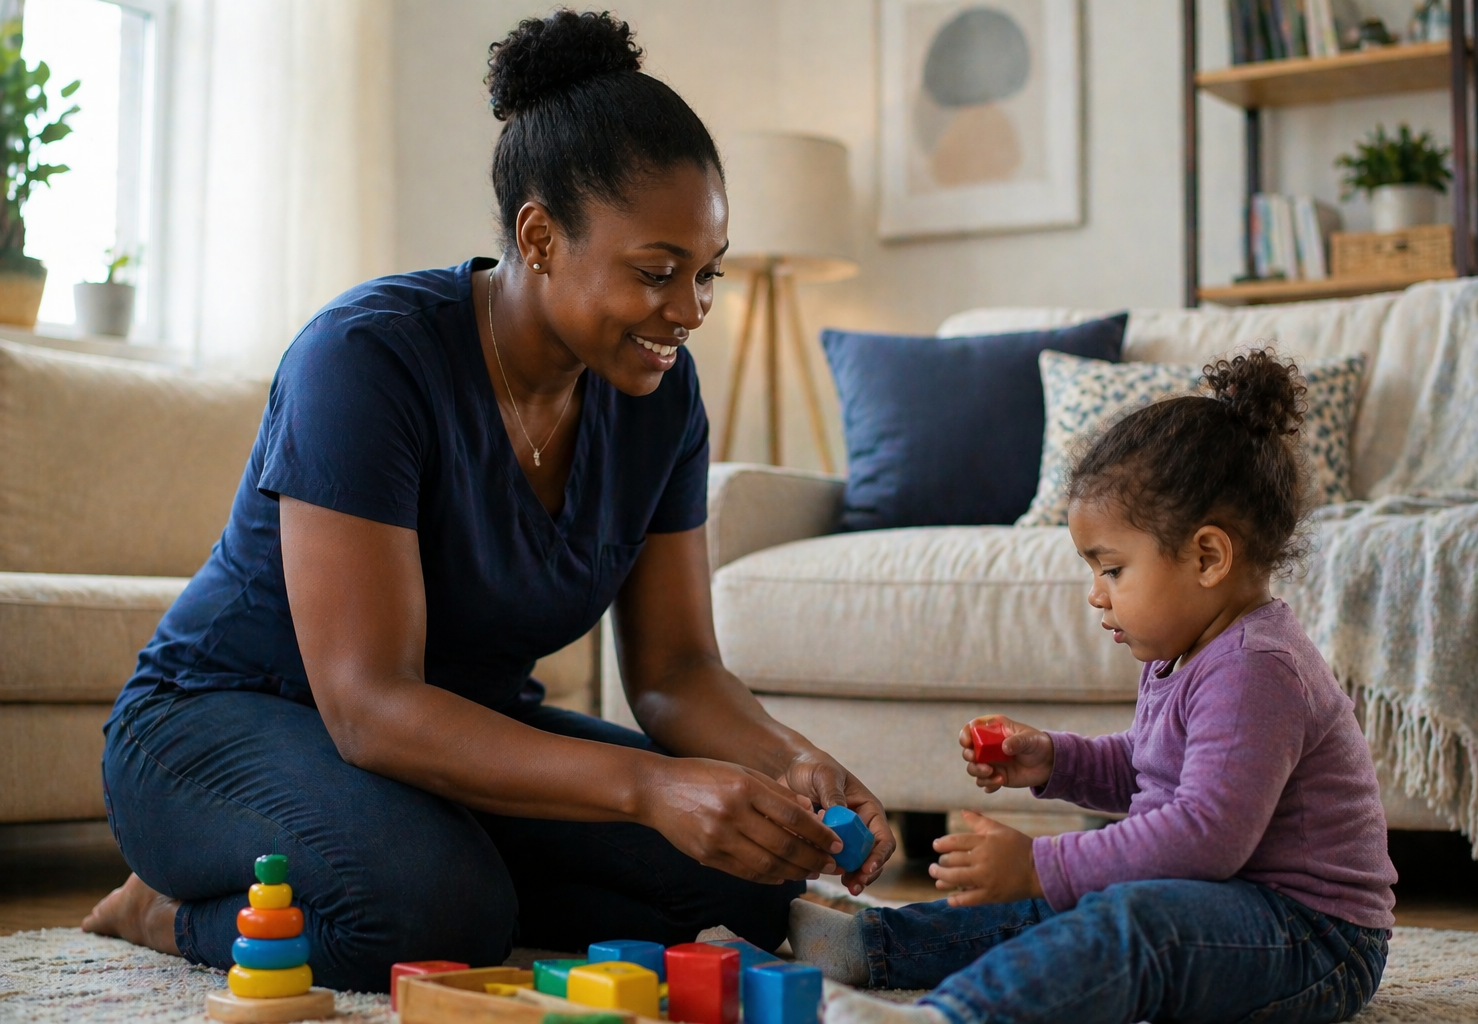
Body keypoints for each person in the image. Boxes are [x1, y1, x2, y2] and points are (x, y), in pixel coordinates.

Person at [83, 10, 893, 993]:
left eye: (706, 272)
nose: (689, 311)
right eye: (656, 272)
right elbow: (372, 707)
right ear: (541, 235)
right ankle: (165, 906)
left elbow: (676, 669)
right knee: (434, 911)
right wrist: (646, 785)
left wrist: (789, 761)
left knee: (751, 873)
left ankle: (442, 856)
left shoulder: (659, 397)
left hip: (448, 743)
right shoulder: (366, 359)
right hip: (222, 723)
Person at [791, 350, 1395, 1024]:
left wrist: (1043, 862)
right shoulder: (1185, 654)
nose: (1095, 596)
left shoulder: (1259, 667)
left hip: (1313, 940)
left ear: (1207, 557)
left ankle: (957, 1015)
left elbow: (1205, 835)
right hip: (1218, 904)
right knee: (1050, 903)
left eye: (1111, 570)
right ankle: (875, 947)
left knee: (1122, 913)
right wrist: (1056, 759)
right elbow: (1148, 769)